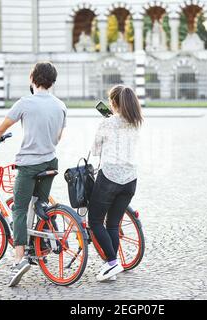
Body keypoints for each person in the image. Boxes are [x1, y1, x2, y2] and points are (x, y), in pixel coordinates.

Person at [0, 62, 67, 287]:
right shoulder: (61, 106)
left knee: (19, 208)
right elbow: (57, 138)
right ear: (53, 82)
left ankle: (19, 260)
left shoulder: (25, 103)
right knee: (40, 203)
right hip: (51, 162)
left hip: (29, 164)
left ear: (32, 79)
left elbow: (1, 128)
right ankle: (41, 244)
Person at [88, 85, 143, 281]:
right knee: (112, 224)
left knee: (94, 221)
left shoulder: (107, 124)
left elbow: (95, 151)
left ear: (113, 103)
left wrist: (106, 122)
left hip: (110, 177)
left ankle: (112, 263)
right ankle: (111, 265)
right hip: (130, 180)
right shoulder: (136, 122)